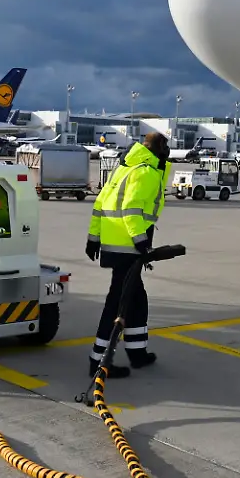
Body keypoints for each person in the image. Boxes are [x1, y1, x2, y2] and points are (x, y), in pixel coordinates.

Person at [85, 131, 172, 378]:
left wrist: (93, 239)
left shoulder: (124, 168)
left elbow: (100, 204)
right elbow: (131, 211)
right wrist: (142, 243)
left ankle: (137, 353)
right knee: (118, 304)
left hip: (114, 243)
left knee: (136, 299)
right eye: (165, 147)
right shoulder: (145, 172)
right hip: (128, 246)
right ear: (159, 148)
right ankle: (99, 362)